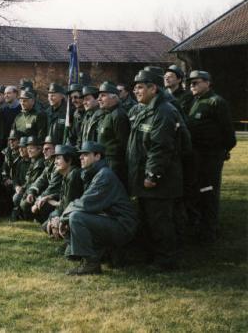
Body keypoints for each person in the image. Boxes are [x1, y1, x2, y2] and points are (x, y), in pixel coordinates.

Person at [127, 70, 184, 270]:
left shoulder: (164, 111)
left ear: (153, 88)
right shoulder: (143, 109)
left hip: (160, 179)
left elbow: (161, 147)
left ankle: (167, 259)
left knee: (160, 220)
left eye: (141, 86)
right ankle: (152, 255)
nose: (136, 90)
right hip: (142, 175)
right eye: (135, 87)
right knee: (148, 218)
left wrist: (152, 174)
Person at [61, 141, 137, 275]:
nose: (80, 157)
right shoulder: (94, 173)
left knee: (76, 217)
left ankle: (91, 264)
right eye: (80, 155)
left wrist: (63, 217)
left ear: (97, 156)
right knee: (70, 249)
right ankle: (99, 255)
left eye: (85, 154)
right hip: (113, 221)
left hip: (123, 226)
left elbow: (85, 203)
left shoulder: (104, 175)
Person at [186, 70, 236, 242]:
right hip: (197, 156)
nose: (192, 86)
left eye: (196, 82)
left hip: (210, 157)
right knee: (198, 191)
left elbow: (228, 133)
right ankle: (200, 227)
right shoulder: (195, 102)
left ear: (207, 83)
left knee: (209, 192)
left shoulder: (216, 102)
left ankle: (209, 231)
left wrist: (221, 150)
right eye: (190, 83)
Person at [44, 145, 83, 246]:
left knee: (52, 220)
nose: (55, 162)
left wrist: (56, 221)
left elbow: (69, 206)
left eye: (58, 158)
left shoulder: (74, 175)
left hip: (77, 217)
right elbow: (64, 202)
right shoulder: (67, 174)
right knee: (46, 225)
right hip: (68, 214)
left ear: (69, 160)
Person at [96, 81, 130, 186]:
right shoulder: (106, 114)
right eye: (99, 96)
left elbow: (123, 144)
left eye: (103, 96)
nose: (99, 99)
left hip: (115, 166)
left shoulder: (119, 115)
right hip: (105, 163)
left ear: (114, 97)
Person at [11, 136, 45, 221]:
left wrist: (25, 191)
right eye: (28, 148)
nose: (28, 150)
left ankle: (33, 217)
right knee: (17, 197)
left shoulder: (40, 163)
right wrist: (20, 187)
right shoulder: (32, 161)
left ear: (39, 149)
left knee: (21, 201)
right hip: (29, 190)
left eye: (31, 148)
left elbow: (34, 182)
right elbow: (26, 180)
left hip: (36, 193)